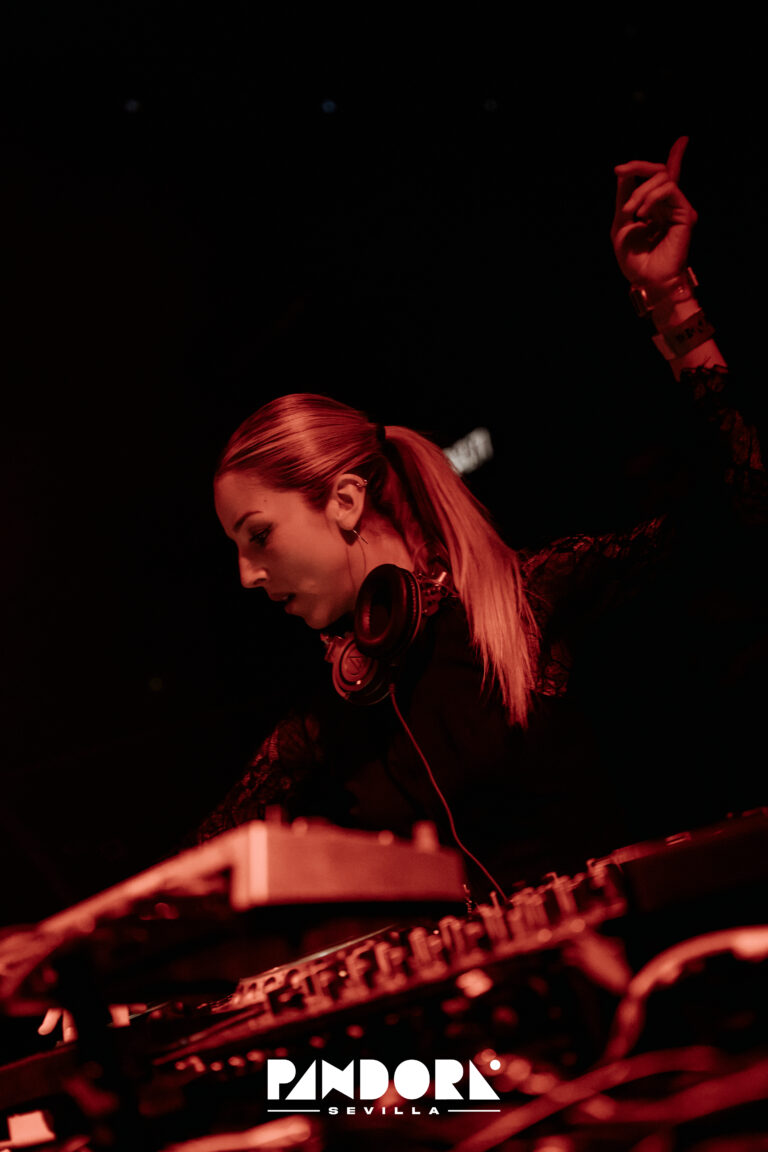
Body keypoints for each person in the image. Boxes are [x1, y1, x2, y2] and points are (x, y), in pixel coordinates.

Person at [194, 138, 765, 898]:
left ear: (345, 501)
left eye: (258, 535)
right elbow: (200, 864)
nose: (246, 575)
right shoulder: (330, 719)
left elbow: (746, 506)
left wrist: (671, 302)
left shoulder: (533, 598)